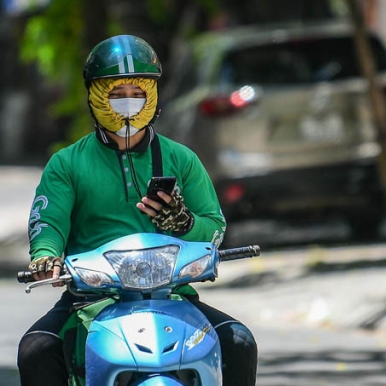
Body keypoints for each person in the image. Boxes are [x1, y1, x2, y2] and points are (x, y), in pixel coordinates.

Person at [17, 35, 257, 385]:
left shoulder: (182, 159)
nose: (127, 103)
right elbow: (48, 224)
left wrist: (184, 223)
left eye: (137, 93)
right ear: (94, 96)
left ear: (153, 95)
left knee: (240, 341)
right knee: (36, 350)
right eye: (116, 93)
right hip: (90, 300)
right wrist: (45, 256)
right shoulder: (66, 164)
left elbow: (215, 229)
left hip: (173, 296)